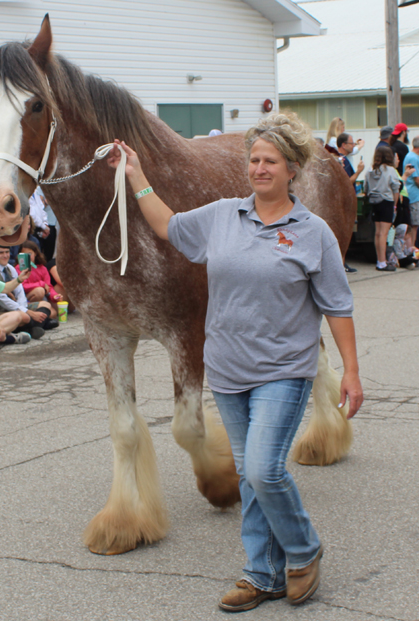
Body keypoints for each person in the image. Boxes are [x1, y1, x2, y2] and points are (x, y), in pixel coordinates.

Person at [108, 112, 363, 612]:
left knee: (264, 471)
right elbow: (166, 225)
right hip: (227, 372)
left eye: (270, 161)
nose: (259, 169)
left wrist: (351, 371)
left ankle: (304, 550)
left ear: (292, 169)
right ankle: (261, 573)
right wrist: (136, 175)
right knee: (248, 476)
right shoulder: (223, 215)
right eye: (254, 160)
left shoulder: (312, 233)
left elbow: (338, 305)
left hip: (283, 371)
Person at [0, 239, 58, 336]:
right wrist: (27, 312)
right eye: (1, 253)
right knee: (23, 316)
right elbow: (3, 300)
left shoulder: (9, 268)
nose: (5, 256)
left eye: (7, 252)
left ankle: (34, 327)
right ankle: (37, 326)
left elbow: (19, 291)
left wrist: (24, 308)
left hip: (15, 307)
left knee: (45, 305)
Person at [364, 146, 400, 272]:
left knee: (378, 233)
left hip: (374, 202)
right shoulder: (390, 170)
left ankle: (380, 260)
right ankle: (383, 263)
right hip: (386, 202)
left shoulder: (370, 170)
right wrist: (395, 205)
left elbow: (365, 187)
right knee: (384, 234)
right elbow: (396, 188)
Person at [337, 133, 365, 273]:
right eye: (351, 143)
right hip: (342, 203)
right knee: (343, 233)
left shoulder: (344, 160)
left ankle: (343, 262)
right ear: (343, 145)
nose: (353, 146)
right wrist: (359, 172)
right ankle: (341, 263)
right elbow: (346, 183)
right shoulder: (341, 160)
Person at [16, 240, 61, 315]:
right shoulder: (18, 268)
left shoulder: (42, 268)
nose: (28, 257)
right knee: (39, 291)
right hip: (25, 298)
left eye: (30, 254)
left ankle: (39, 313)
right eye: (24, 254)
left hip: (42, 297)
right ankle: (31, 311)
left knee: (53, 314)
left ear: (35, 253)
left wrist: (54, 296)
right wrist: (41, 284)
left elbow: (48, 286)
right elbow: (22, 286)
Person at [403, 136, 419, 252]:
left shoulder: (411, 156)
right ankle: (412, 250)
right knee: (414, 224)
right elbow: (417, 179)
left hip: (412, 194)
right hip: (414, 195)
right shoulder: (414, 158)